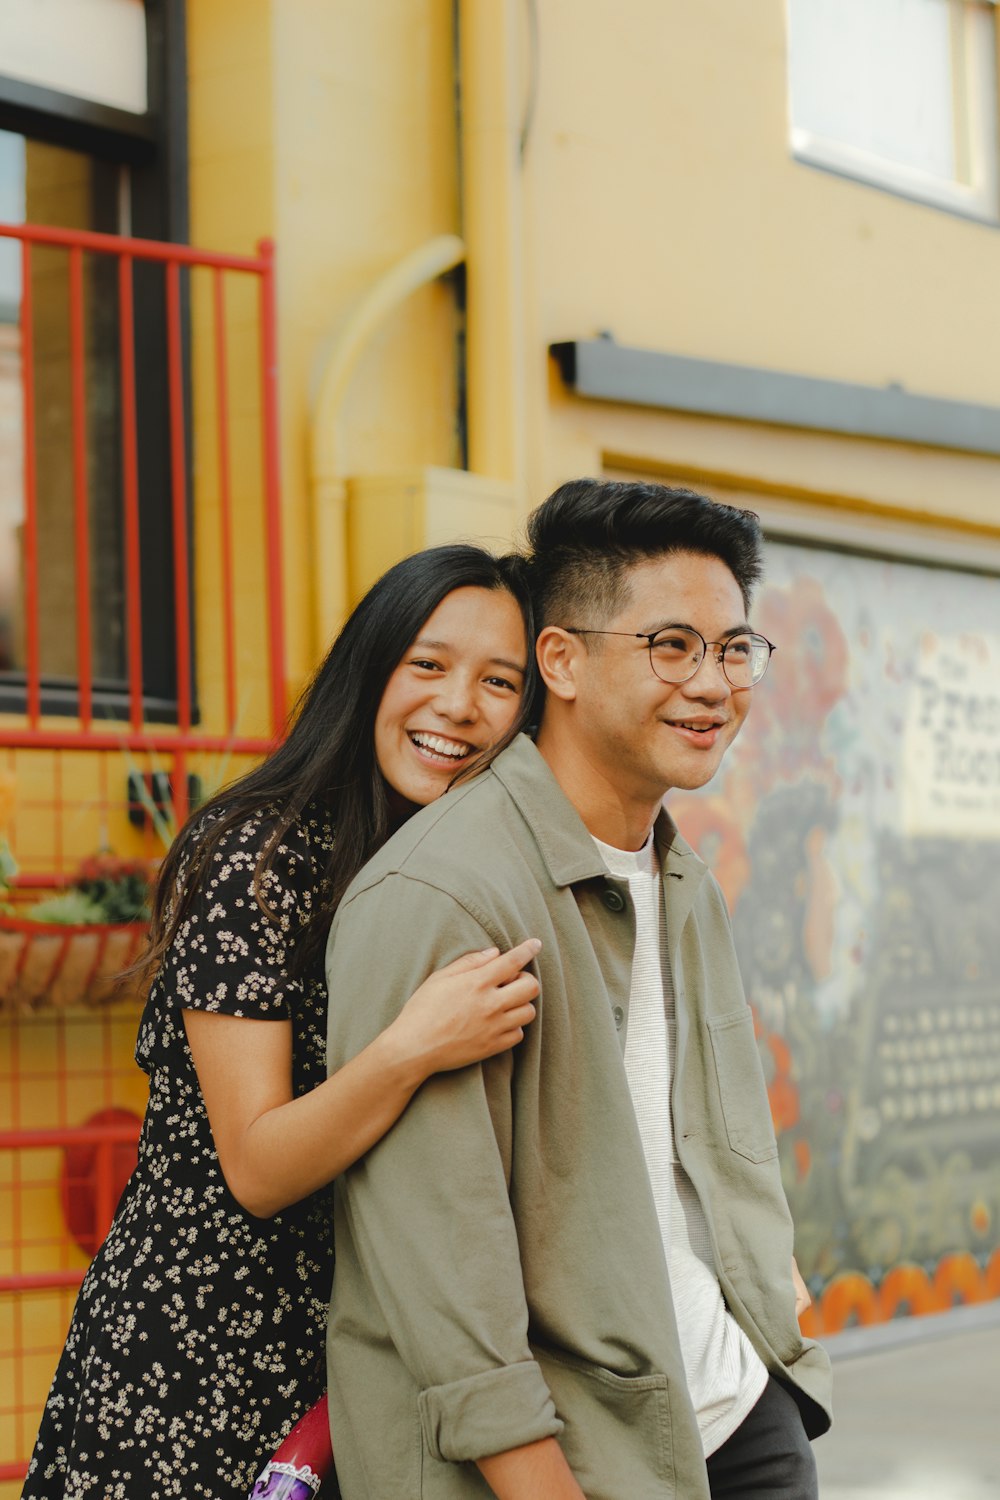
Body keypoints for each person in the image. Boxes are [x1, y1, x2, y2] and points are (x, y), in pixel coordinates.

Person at [323, 479, 834, 1500]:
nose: (712, 682)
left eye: (734, 648)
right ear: (559, 660)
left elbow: (704, 1141)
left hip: (734, 1415)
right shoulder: (445, 894)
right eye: (670, 646)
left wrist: (763, 1295)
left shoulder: (681, 876)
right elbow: (440, 1262)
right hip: (563, 1461)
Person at [24, 545, 543, 1500]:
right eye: (427, 664)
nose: (459, 706)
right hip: (191, 1371)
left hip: (359, 1366)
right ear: (370, 668)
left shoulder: (456, 871)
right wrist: (417, 1043)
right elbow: (257, 1167)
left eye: (499, 681)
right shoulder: (255, 862)